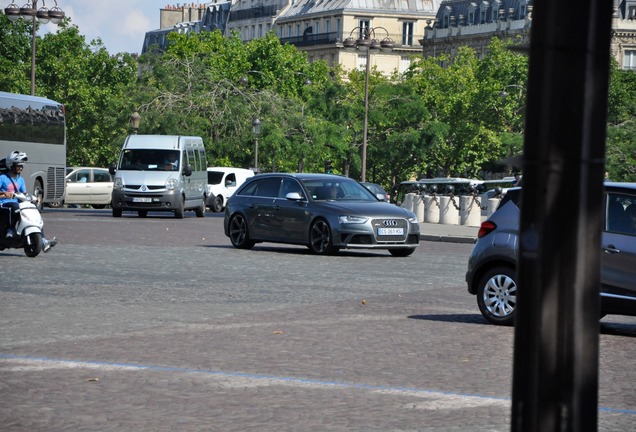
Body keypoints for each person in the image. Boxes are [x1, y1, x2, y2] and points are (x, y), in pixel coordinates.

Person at [0, 151, 57, 252]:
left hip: (16, 204)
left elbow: (24, 193)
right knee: (14, 206)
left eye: (22, 166)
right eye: (18, 166)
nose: (21, 168)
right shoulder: (2, 178)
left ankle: (43, 240)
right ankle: (10, 229)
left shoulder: (20, 179)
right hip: (3, 203)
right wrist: (5, 194)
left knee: (32, 211)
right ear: (11, 165)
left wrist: (35, 198)